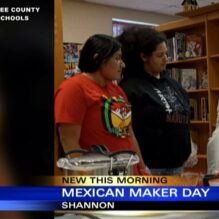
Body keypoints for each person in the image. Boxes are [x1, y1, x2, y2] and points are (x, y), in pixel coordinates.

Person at [55, 34, 148, 174]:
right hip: (98, 175)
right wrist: (86, 179)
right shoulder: (73, 88)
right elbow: (69, 142)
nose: (123, 64)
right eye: (117, 58)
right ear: (98, 58)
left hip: (127, 172)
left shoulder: (117, 90)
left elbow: (129, 134)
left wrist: (142, 167)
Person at [117, 27, 194, 176]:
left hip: (177, 166)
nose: (166, 59)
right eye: (160, 55)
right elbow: (128, 132)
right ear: (144, 56)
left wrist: (189, 145)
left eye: (166, 53)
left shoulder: (173, 84)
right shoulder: (130, 88)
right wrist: (142, 167)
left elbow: (183, 119)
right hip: (151, 168)